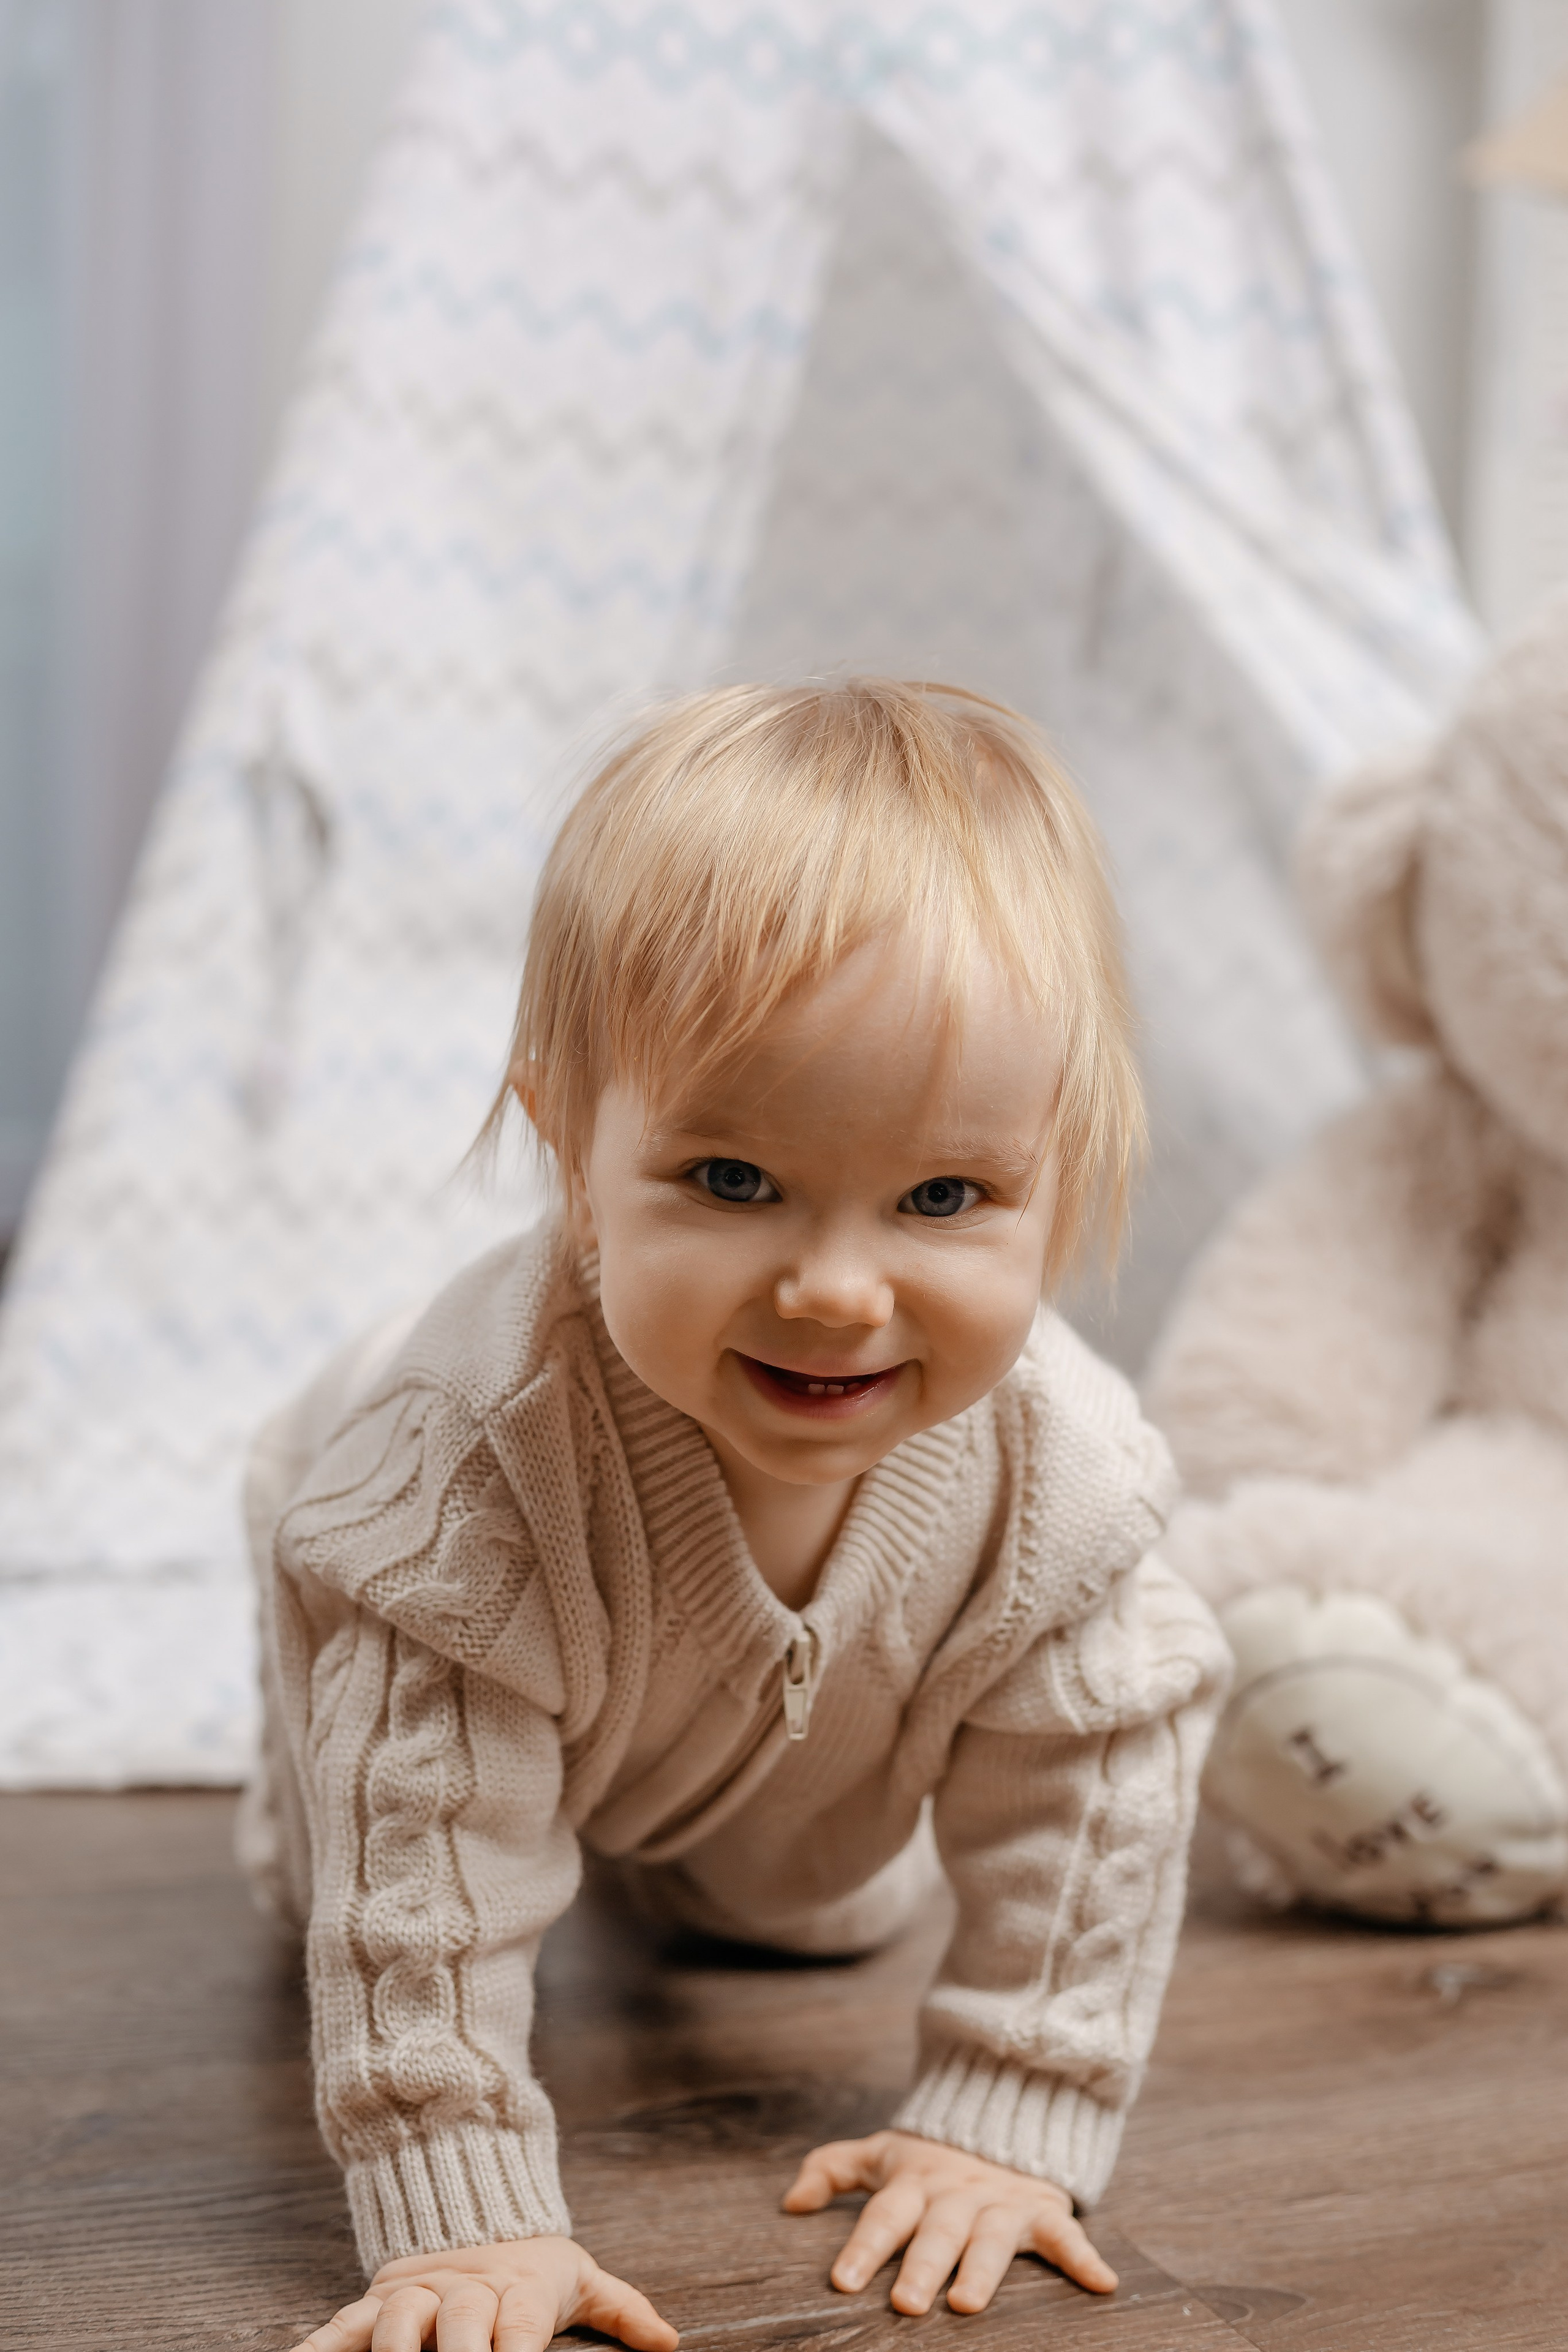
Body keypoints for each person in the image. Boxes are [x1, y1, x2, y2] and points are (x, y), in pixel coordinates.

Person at [246, 680, 1229, 2352]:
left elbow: (1101, 1776)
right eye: (730, 1182)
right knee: (357, 1863)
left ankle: (683, 1826)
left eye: (942, 1198)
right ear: (569, 1146)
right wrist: (464, 2217)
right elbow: (419, 1875)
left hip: (769, 1715)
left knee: (809, 1911)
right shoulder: (465, 1473)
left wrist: (1009, 2118)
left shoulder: (1064, 1474)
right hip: (389, 1564)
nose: (837, 1292)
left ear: (1059, 1167)